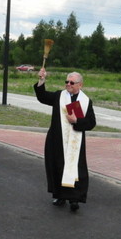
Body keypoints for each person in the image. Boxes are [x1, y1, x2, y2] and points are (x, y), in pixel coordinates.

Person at [34, 68, 96, 211]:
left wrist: (76, 121)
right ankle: (59, 196)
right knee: (58, 167)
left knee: (75, 170)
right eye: (67, 81)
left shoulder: (85, 101)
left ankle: (75, 199)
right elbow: (42, 97)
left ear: (80, 85)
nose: (68, 84)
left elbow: (91, 123)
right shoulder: (59, 96)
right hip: (57, 139)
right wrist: (42, 80)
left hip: (75, 142)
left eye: (72, 82)